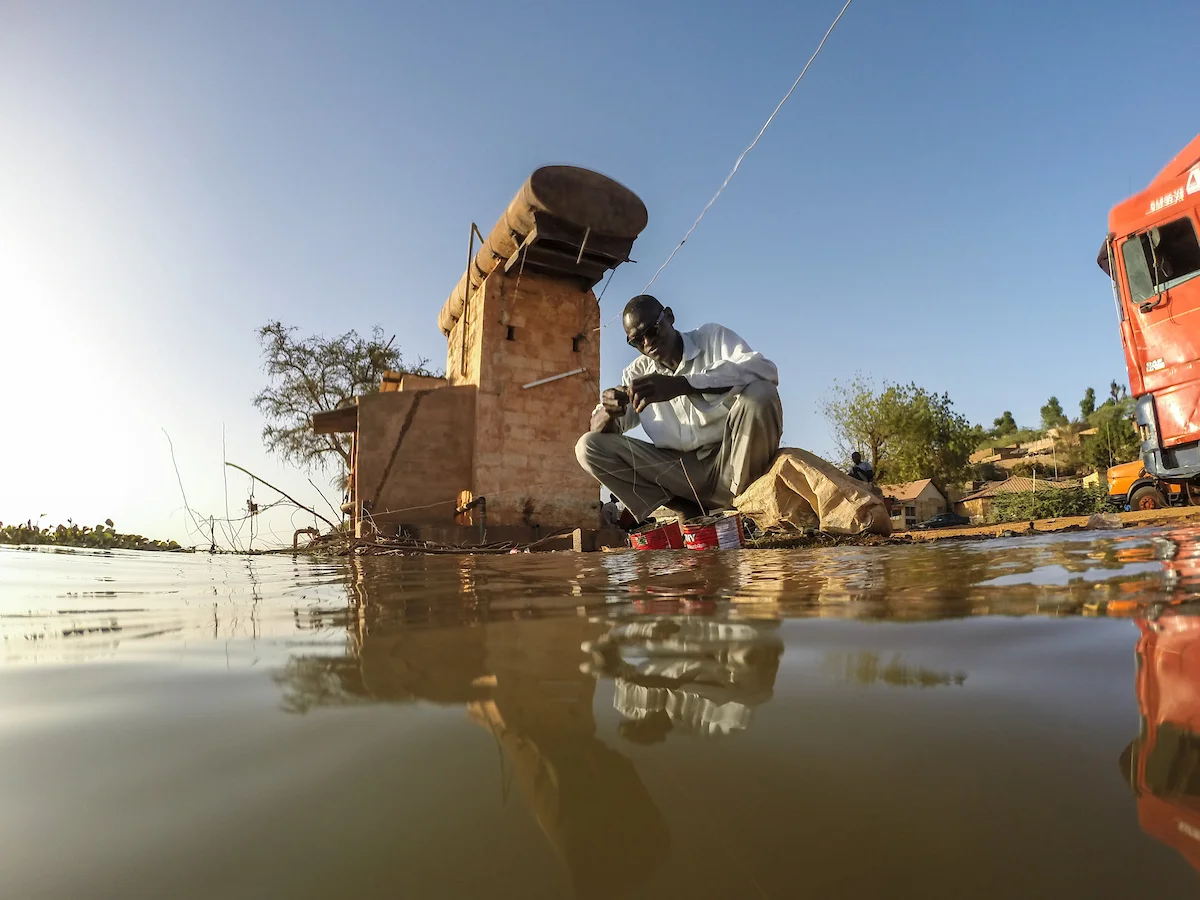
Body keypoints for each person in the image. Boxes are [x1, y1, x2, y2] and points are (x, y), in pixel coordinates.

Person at [575, 294, 782, 522]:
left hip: (733, 461)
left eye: (652, 331)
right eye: (637, 341)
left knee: (761, 393)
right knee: (588, 446)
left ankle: (746, 502)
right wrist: (609, 410)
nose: (647, 343)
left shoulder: (711, 338)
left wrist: (684, 385)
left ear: (670, 317)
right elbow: (595, 430)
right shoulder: (636, 374)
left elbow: (765, 370)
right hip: (680, 473)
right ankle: (686, 508)